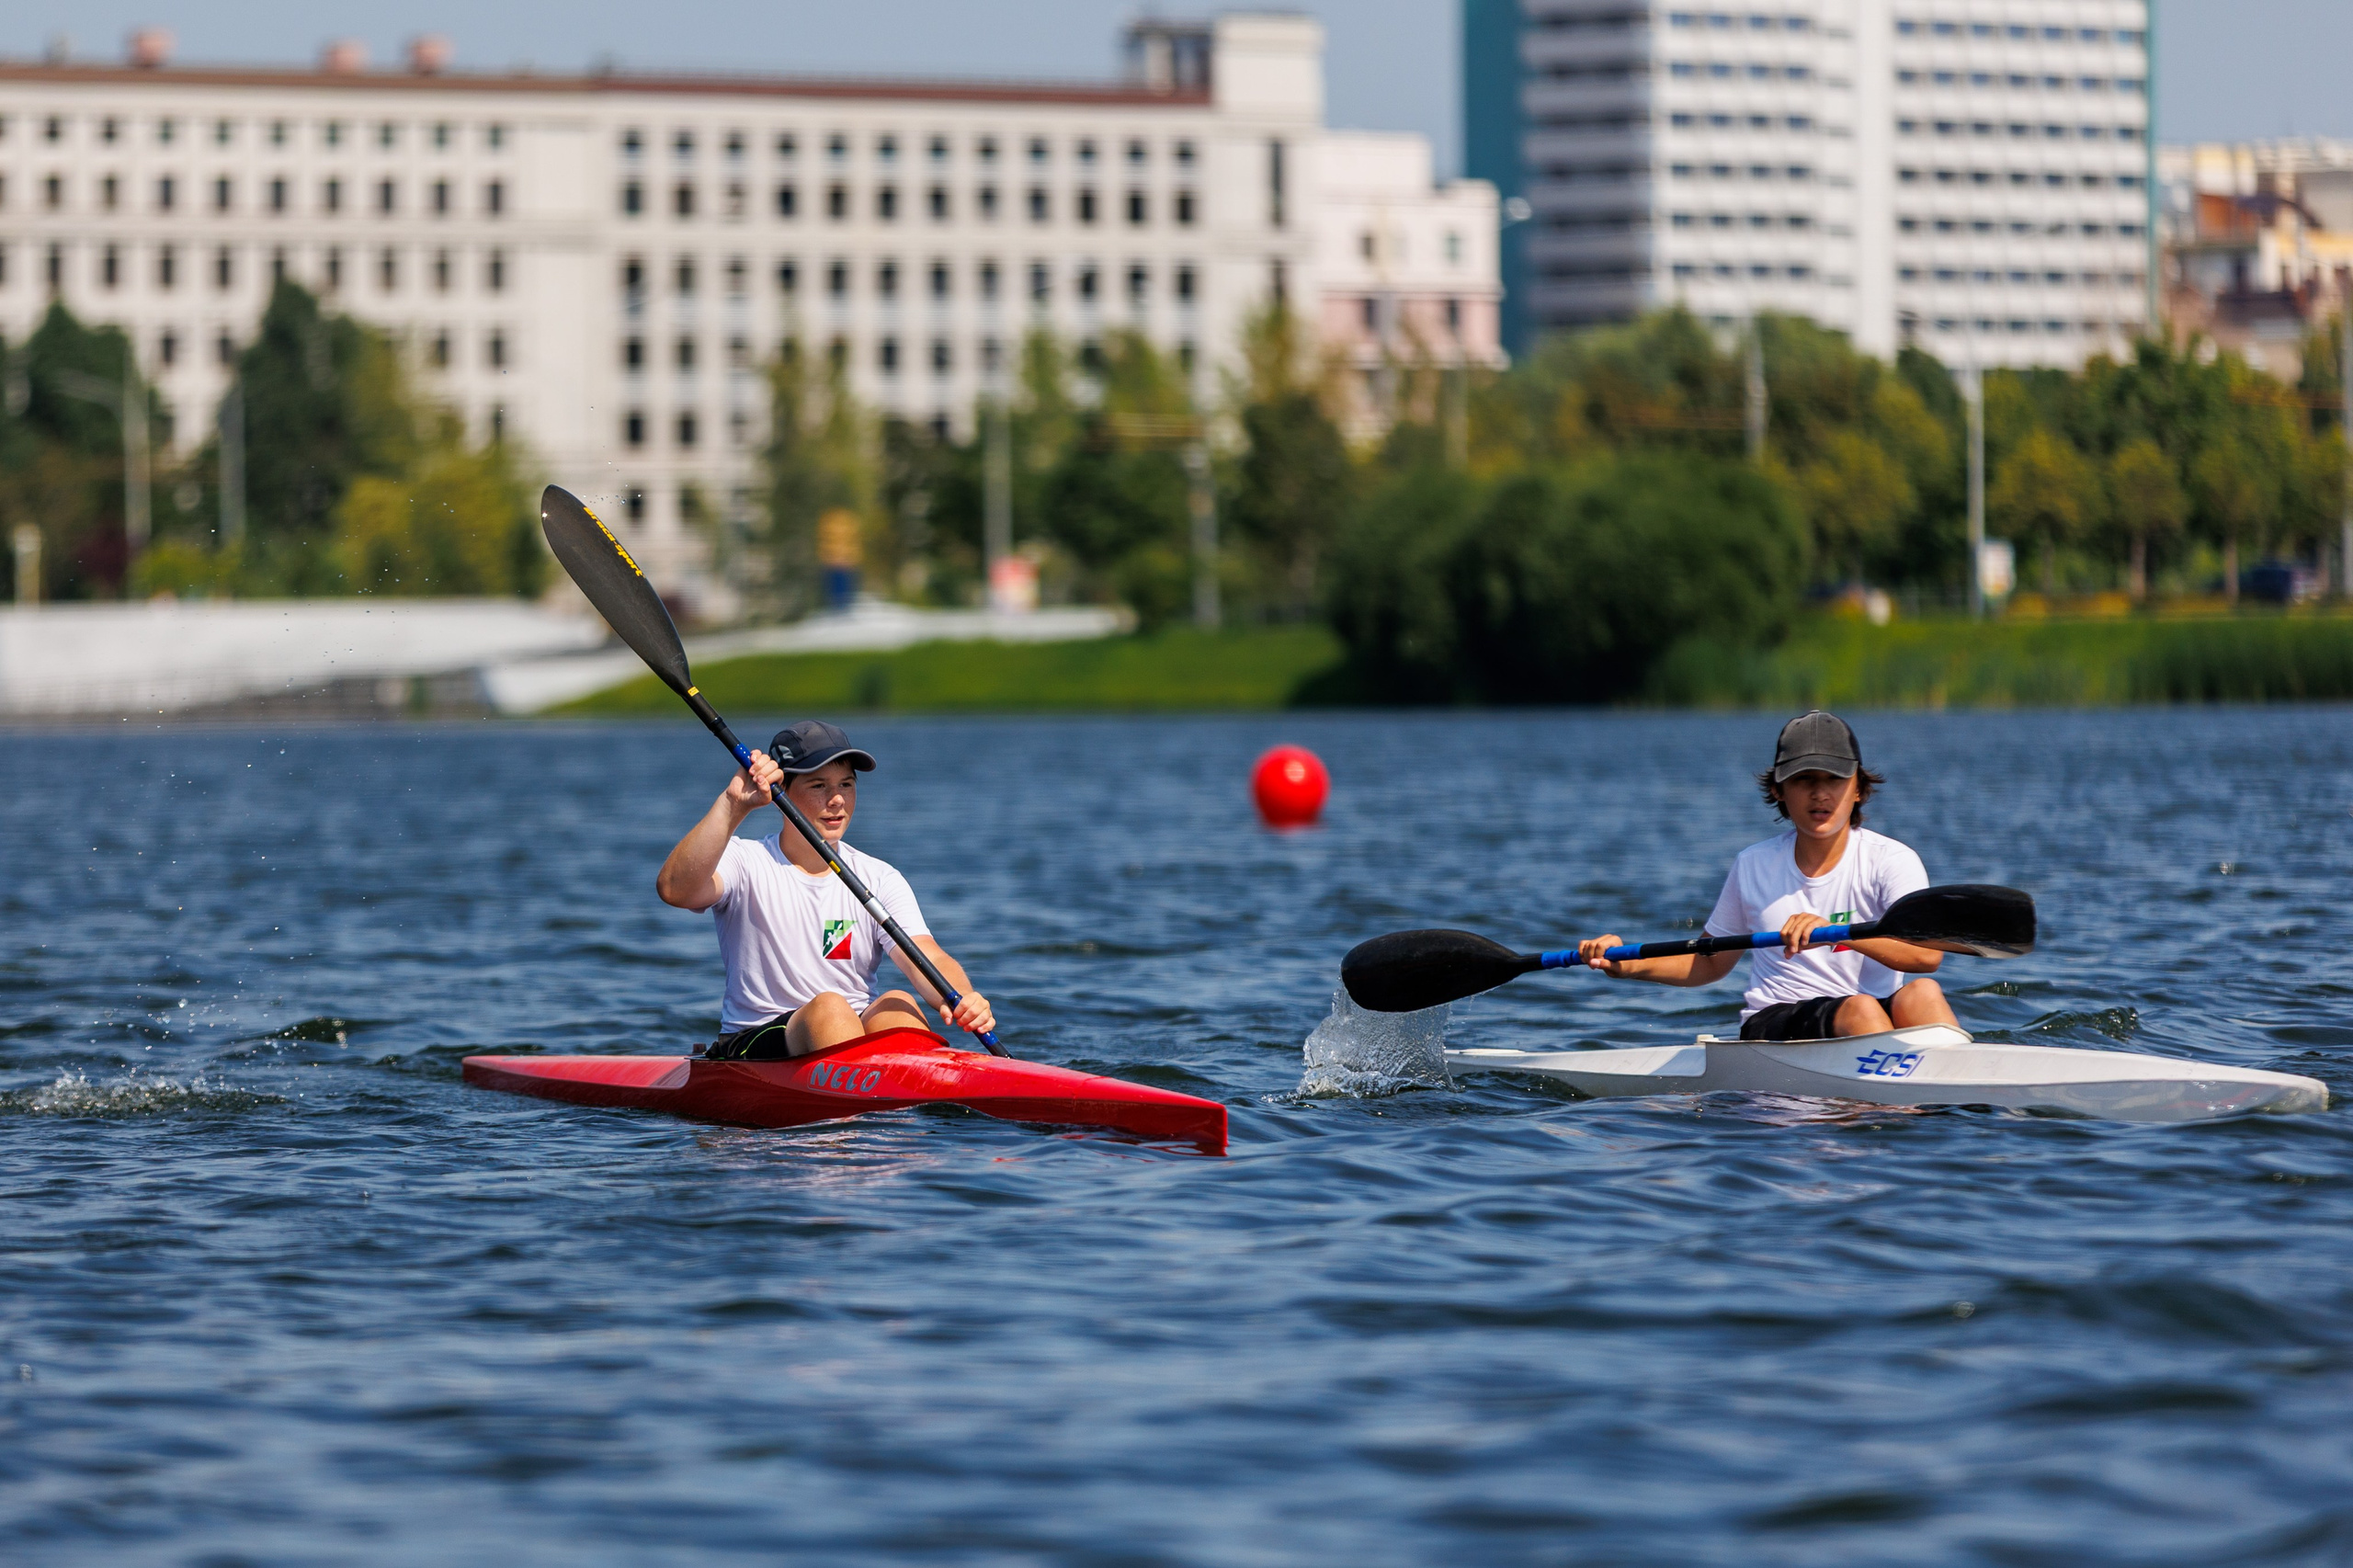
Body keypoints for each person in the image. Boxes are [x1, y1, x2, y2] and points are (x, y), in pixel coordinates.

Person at [1577, 710, 1962, 1041]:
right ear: (1779, 790)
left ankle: (1965, 1093)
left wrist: (1838, 932)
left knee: (1922, 994)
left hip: (1866, 1015)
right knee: (1860, 1010)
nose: (1819, 794)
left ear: (1858, 788)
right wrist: (1627, 965)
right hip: (1776, 1022)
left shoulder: (1892, 860)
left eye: (1833, 779)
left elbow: (1926, 955)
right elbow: (1710, 963)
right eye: (1803, 779)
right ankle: (1903, 1101)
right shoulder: (1754, 865)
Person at [655, 719, 995, 1059]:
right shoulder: (746, 862)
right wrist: (733, 805)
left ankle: (903, 1103)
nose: (837, 800)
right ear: (780, 793)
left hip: (847, 1030)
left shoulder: (878, 877)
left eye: (846, 784)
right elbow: (674, 890)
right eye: (819, 786)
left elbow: (925, 955)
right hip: (756, 1039)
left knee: (899, 1004)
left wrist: (963, 998)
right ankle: (865, 1103)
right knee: (829, 1008)